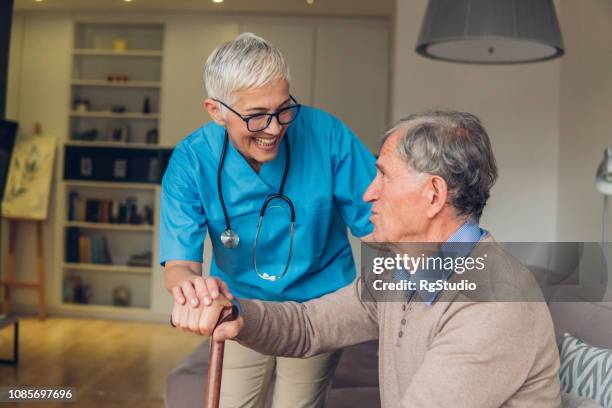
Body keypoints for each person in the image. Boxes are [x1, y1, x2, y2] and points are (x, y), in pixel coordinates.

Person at [181, 111, 562, 407]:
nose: (367, 193)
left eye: (383, 176)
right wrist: (235, 313)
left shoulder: (493, 303)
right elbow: (311, 325)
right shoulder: (401, 272)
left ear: (433, 196)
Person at [161, 33, 375, 407]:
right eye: (256, 116)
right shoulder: (192, 160)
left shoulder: (327, 136)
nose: (275, 127)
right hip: (241, 306)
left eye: (284, 109)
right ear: (216, 111)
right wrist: (192, 291)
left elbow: (380, 223)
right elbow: (180, 264)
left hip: (317, 307)